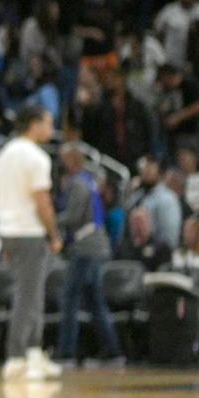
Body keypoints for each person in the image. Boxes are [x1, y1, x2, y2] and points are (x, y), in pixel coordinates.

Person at [0, 104, 64, 382]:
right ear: (33, 124)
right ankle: (16, 357)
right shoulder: (36, 157)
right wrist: (54, 233)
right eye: (48, 122)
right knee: (27, 296)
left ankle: (34, 353)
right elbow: (43, 202)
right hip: (29, 232)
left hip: (9, 230)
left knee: (33, 293)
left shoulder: (5, 153)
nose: (51, 128)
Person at [55, 142, 122, 366]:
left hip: (86, 248)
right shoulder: (88, 181)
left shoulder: (77, 185)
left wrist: (49, 221)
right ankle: (112, 351)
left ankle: (66, 353)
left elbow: (73, 218)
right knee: (94, 302)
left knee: (70, 300)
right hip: (95, 246)